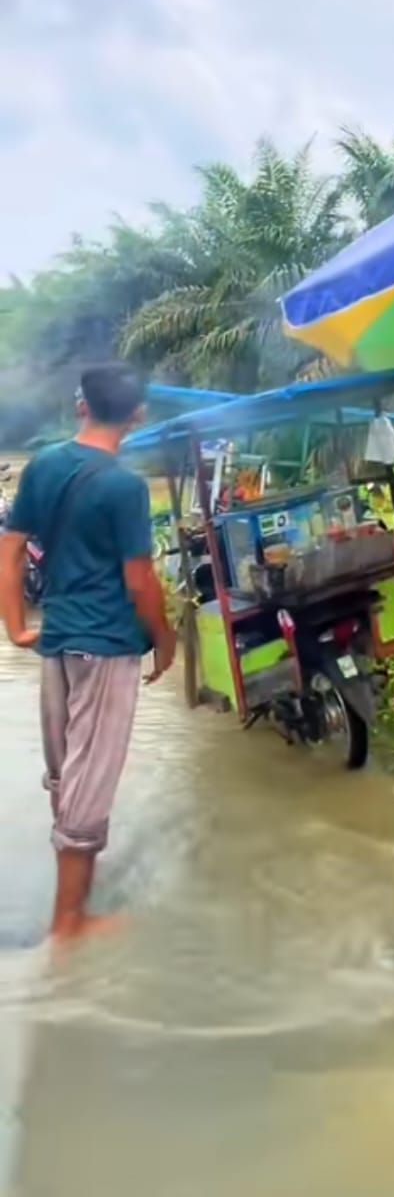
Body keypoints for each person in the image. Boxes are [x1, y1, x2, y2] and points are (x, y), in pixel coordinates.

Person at [0, 363, 177, 940]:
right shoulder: (123, 487)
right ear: (138, 414)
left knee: (66, 773)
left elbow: (12, 551)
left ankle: (73, 900)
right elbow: (139, 581)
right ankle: (69, 924)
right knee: (90, 776)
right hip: (106, 645)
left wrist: (15, 628)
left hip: (57, 641)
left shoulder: (45, 464)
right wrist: (166, 637)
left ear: (81, 406)